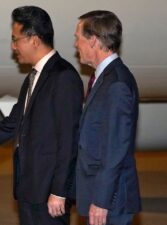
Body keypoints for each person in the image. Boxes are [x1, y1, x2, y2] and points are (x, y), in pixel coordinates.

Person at [0, 6, 83, 225]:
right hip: (29, 189)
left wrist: (59, 192)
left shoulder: (63, 77)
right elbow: (12, 124)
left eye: (16, 39)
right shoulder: (34, 77)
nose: (13, 47)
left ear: (33, 39)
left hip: (49, 192)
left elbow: (69, 140)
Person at [74, 10, 141, 225]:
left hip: (111, 202)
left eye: (78, 38)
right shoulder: (104, 78)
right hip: (100, 194)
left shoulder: (117, 84)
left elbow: (115, 149)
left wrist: (101, 201)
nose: (76, 45)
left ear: (93, 40)